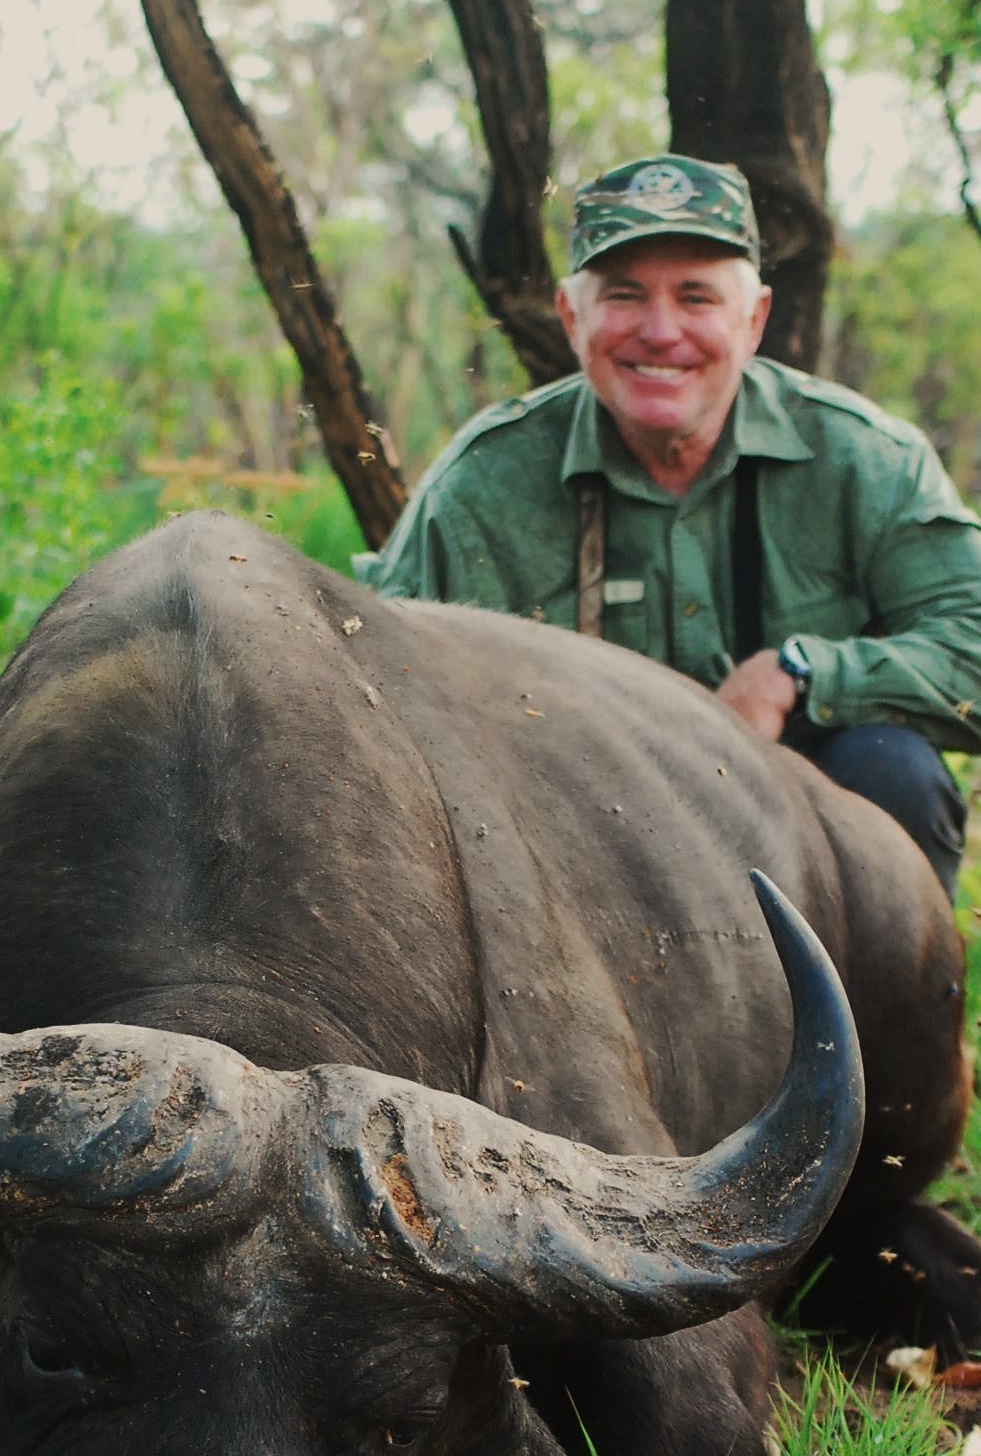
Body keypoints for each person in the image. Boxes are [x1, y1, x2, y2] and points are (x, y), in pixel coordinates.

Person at [357, 154, 981, 899]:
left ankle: (871, 1019)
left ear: (754, 321)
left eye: (696, 297)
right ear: (570, 317)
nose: (660, 332)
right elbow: (371, 690)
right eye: (624, 296)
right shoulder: (484, 481)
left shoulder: (862, 458)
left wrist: (800, 676)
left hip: (806, 850)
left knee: (893, 771)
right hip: (572, 860)